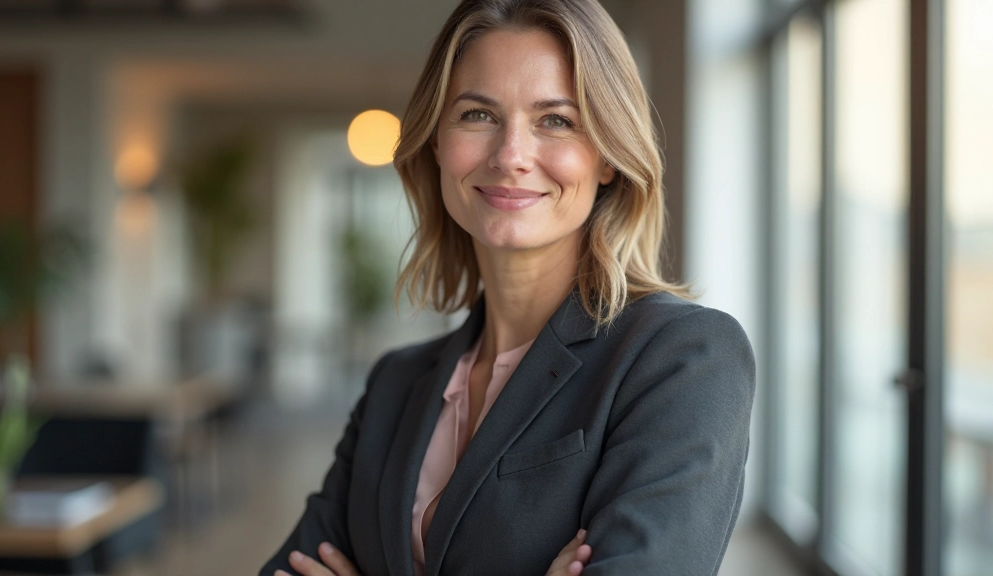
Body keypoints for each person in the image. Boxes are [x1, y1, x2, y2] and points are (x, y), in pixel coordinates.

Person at [260, 0, 755, 574]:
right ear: (437, 142)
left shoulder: (682, 358)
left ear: (607, 157)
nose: (511, 156)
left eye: (556, 120)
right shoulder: (394, 384)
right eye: (477, 114)